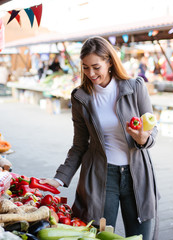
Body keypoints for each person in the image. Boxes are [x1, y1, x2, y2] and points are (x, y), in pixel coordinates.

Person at [40, 37, 159, 240]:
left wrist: (142, 139)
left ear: (110, 62)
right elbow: (79, 145)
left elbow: (152, 130)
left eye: (96, 67)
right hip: (101, 177)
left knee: (141, 237)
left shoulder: (135, 87)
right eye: (86, 68)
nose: (91, 73)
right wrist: (60, 178)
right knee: (98, 235)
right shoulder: (81, 97)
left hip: (137, 174)